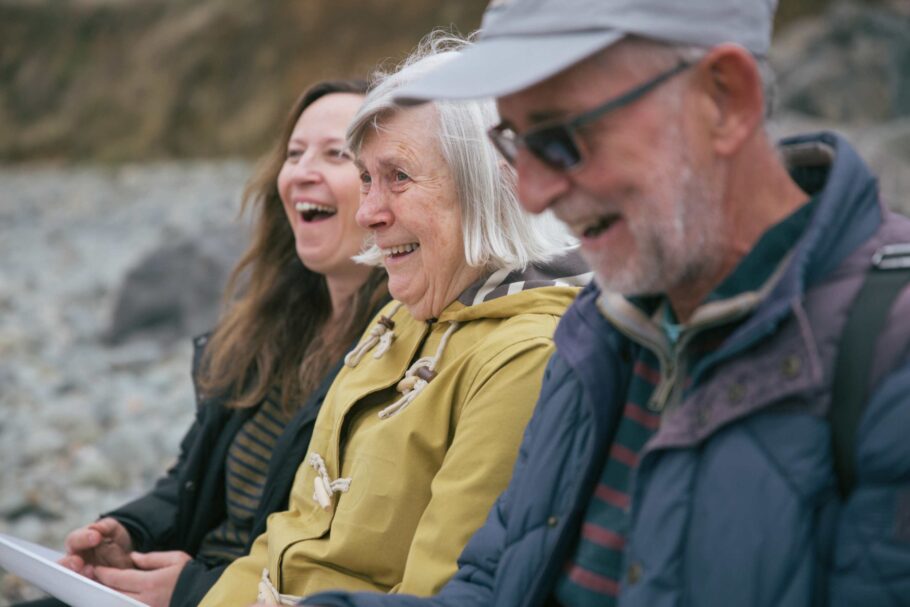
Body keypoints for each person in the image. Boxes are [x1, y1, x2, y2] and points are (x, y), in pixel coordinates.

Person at [301, 2, 910, 607]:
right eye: (515, 144)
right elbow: (492, 587)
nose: (535, 191)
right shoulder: (596, 328)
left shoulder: (889, 349)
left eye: (562, 139)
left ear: (724, 101)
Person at [197, 40, 586, 607]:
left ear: (488, 183)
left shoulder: (525, 355)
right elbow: (279, 546)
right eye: (366, 178)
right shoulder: (398, 315)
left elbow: (436, 593)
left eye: (397, 177)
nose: (367, 213)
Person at [36, 80, 389, 607]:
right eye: (294, 154)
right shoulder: (267, 325)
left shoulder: (400, 358)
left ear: (389, 186)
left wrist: (194, 590)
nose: (301, 172)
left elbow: (358, 563)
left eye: (336, 154)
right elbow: (191, 480)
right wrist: (130, 533)